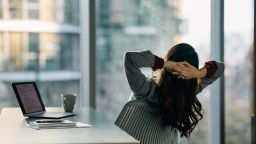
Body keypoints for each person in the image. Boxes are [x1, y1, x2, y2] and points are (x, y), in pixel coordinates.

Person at [124, 43, 224, 138]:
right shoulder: (189, 92)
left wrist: (166, 64)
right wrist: (199, 73)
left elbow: (130, 58)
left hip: (140, 139)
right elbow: (220, 68)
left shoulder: (146, 89)